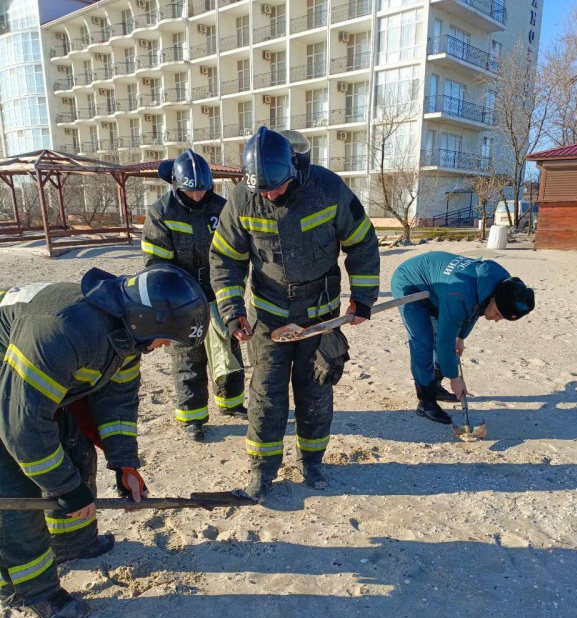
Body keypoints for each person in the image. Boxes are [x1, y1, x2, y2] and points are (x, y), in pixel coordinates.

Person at [0, 265, 209, 618]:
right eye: (166, 338)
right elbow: (22, 426)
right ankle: (32, 592)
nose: (164, 347)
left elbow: (118, 402)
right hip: (9, 387)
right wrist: (67, 489)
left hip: (29, 385)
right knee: (16, 490)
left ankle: (72, 544)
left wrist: (124, 464)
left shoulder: (126, 333)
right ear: (148, 320)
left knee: (75, 452)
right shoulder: (63, 331)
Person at [210, 126, 380, 501]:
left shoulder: (328, 189)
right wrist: (232, 310)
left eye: (276, 187)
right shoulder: (241, 200)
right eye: (262, 190)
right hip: (268, 318)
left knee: (315, 389)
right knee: (266, 395)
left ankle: (312, 461)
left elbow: (362, 241)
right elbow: (225, 259)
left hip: (321, 316)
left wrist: (363, 297)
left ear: (294, 169)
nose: (270, 195)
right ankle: (262, 470)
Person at [142, 149, 246, 442]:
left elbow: (236, 255)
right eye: (191, 191)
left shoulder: (223, 208)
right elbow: (157, 267)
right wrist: (174, 302)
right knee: (188, 357)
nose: (198, 196)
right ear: (177, 185)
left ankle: (231, 403)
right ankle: (193, 418)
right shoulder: (161, 212)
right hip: (181, 299)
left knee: (227, 350)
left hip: (218, 293)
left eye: (203, 189)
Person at [390, 252, 535, 424]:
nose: (497, 320)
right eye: (498, 314)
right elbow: (445, 340)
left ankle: (435, 386)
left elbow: (475, 309)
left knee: (444, 337)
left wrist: (461, 337)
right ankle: (426, 402)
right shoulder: (460, 295)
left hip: (442, 287)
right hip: (410, 282)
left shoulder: (503, 285)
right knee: (424, 342)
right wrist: (454, 378)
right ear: (493, 298)